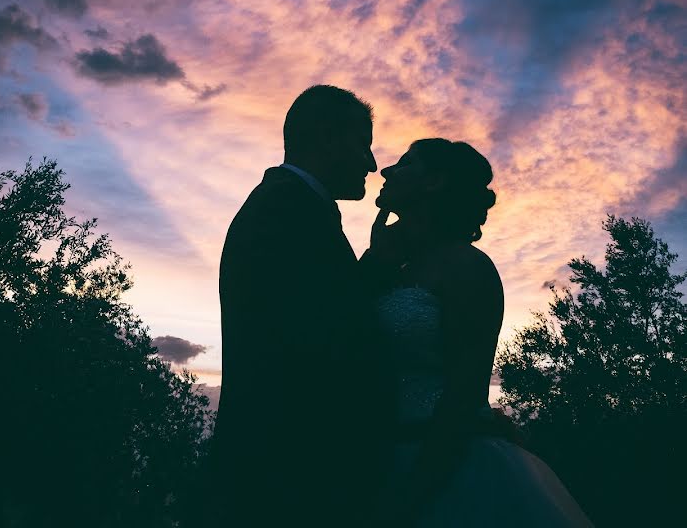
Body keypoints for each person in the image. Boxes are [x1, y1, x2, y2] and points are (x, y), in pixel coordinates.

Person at [364, 138, 593, 526]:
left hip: (445, 468)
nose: (385, 172)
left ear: (433, 182)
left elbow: (463, 394)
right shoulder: (390, 265)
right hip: (379, 459)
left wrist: (408, 500)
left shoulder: (468, 268)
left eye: (403, 164)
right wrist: (374, 262)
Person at [207, 85, 383, 528]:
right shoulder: (284, 210)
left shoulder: (292, 206)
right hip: (285, 479)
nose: (372, 163)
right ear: (327, 138)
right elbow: (322, 344)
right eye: (363, 145)